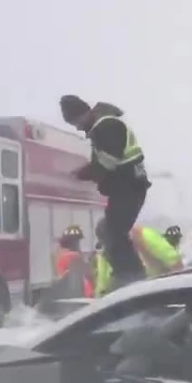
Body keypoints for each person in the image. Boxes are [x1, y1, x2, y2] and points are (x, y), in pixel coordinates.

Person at [60, 95, 151, 289]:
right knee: (106, 230)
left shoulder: (106, 127)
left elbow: (107, 163)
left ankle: (132, 276)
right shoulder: (103, 128)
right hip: (125, 189)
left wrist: (82, 174)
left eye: (75, 122)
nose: (77, 128)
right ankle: (127, 273)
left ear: (83, 113)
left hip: (128, 188)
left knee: (113, 231)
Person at [55, 224, 93, 297]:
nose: (78, 244)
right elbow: (86, 277)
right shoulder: (74, 256)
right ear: (72, 243)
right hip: (78, 294)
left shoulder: (61, 256)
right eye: (77, 241)